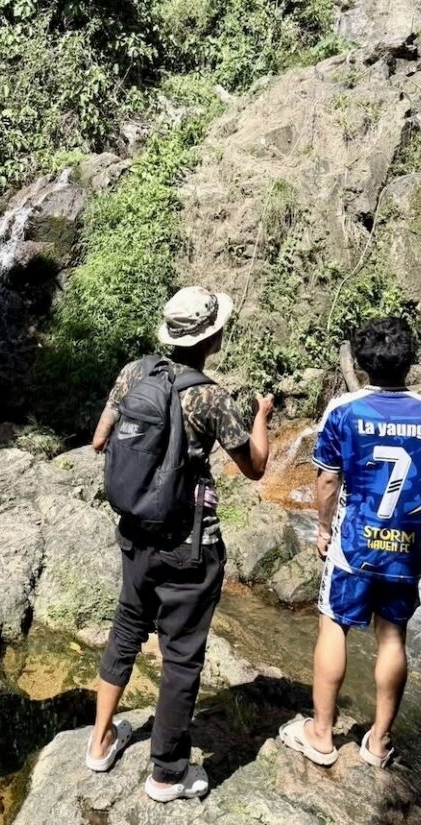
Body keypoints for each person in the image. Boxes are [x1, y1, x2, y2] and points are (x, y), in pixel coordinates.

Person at [86, 286, 274, 802]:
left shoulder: (134, 372)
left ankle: (100, 743)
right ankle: (167, 774)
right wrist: (261, 415)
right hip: (189, 546)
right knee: (182, 656)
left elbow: (100, 440)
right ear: (211, 338)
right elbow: (256, 467)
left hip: (134, 534)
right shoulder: (210, 396)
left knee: (127, 629)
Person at [280, 317, 421, 768]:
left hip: (354, 545)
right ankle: (379, 742)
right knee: (393, 637)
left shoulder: (345, 410)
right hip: (406, 547)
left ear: (362, 362)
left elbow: (327, 480)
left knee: (334, 625)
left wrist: (324, 528)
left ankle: (321, 735)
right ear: (410, 360)